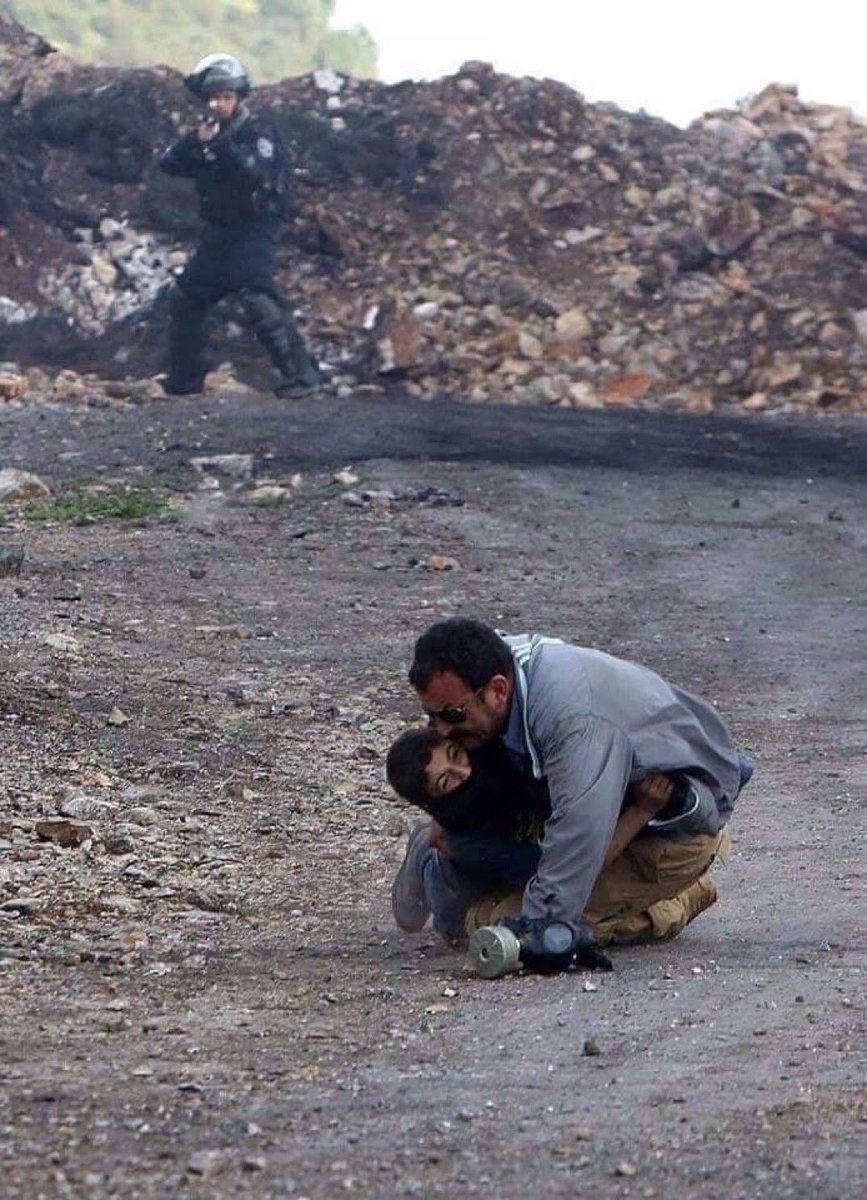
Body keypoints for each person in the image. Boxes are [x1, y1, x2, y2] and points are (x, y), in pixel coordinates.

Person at [391, 617, 754, 971]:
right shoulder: (501, 666)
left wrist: (540, 931)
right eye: (431, 715)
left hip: (670, 834)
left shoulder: (573, 722)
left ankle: (680, 898)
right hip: (600, 819)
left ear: (498, 690)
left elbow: (580, 838)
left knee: (496, 923)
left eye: (451, 714)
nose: (440, 729)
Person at [386, 726, 680, 948]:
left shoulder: (499, 750)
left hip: (518, 860)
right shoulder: (468, 844)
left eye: (455, 755)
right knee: (454, 927)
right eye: (446, 781)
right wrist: (642, 810)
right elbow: (574, 867)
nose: (463, 771)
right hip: (466, 871)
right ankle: (426, 852)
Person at [158, 53, 321, 399]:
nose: (218, 104)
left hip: (255, 226)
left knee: (256, 294)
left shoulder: (258, 132)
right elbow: (169, 163)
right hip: (219, 229)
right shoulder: (207, 135)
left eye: (226, 98)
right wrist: (196, 142)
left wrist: (219, 145)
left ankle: (301, 376)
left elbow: (254, 171)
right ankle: (184, 380)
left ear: (239, 98)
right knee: (187, 296)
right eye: (213, 98)